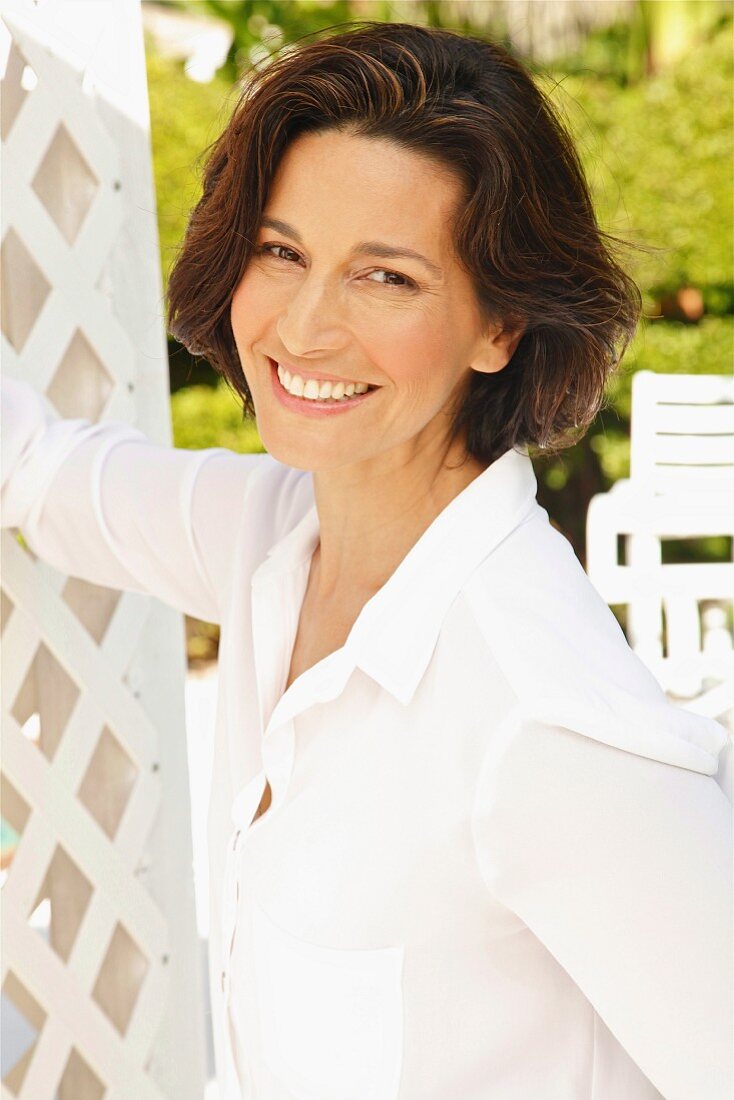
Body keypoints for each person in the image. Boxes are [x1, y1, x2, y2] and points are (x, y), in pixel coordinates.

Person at [2, 20, 731, 1100]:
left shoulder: (549, 721)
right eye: (282, 251)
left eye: (383, 278)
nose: (302, 326)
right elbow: (42, 471)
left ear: (498, 325)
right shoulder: (266, 535)